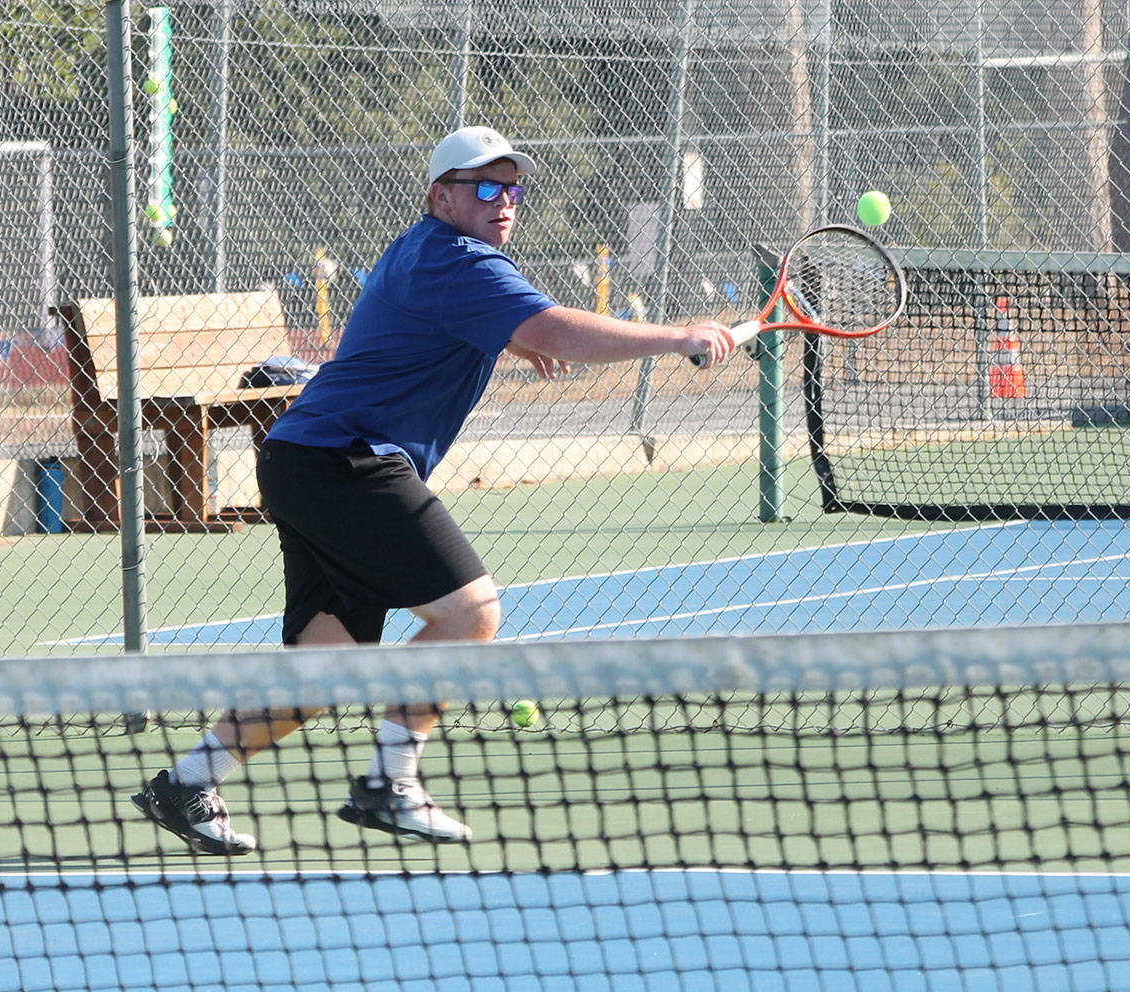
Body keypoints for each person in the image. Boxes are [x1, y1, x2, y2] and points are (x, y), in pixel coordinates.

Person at [131, 125, 736, 855]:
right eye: (485, 186)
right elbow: (561, 330)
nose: (503, 201)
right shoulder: (457, 259)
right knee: (472, 611)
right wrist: (677, 337)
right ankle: (391, 783)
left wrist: (513, 338)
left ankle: (186, 785)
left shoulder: (428, 251)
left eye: (512, 188)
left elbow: (490, 324)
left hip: (304, 459)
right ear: (440, 196)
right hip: (348, 461)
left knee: (326, 662)